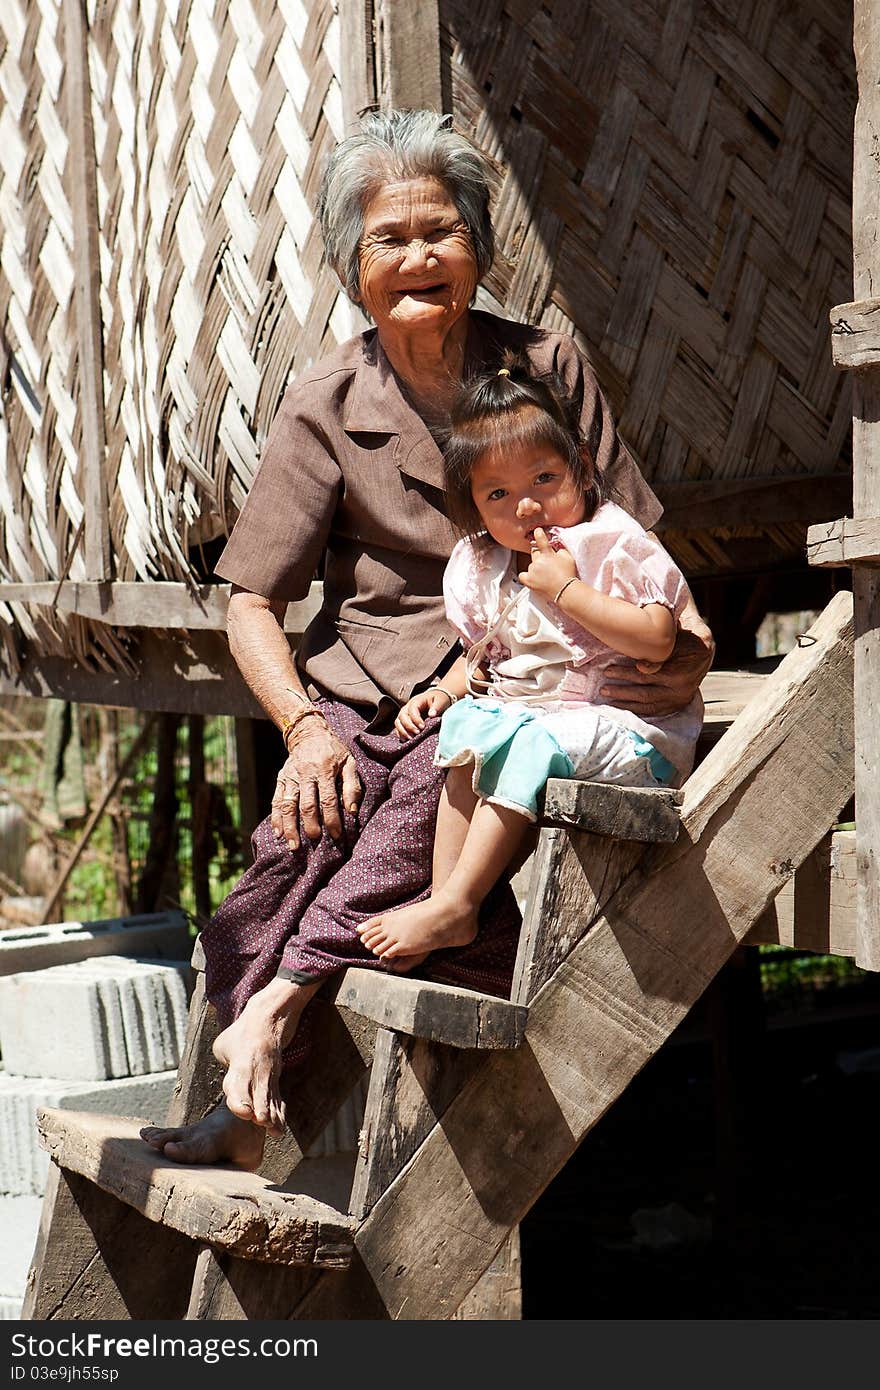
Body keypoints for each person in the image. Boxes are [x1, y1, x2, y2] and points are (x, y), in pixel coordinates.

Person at [141, 109, 713, 1170]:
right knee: (286, 853)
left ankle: (272, 1011)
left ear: (479, 252)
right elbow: (251, 602)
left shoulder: (542, 367)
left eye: (440, 232)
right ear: (348, 266)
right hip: (371, 693)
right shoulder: (324, 401)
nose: (418, 258)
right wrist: (307, 734)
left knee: (411, 818)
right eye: (387, 240)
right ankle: (241, 1101)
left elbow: (638, 553)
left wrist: (660, 657)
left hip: (532, 681)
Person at [357, 358, 702, 964]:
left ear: (583, 469)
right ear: (473, 505)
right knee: (467, 729)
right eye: (499, 493)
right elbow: (488, 651)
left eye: (544, 479)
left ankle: (460, 902)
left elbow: (657, 640)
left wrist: (568, 592)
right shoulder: (484, 563)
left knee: (525, 741)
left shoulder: (610, 544)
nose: (526, 507)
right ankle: (446, 900)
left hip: (630, 731)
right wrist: (447, 689)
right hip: (544, 720)